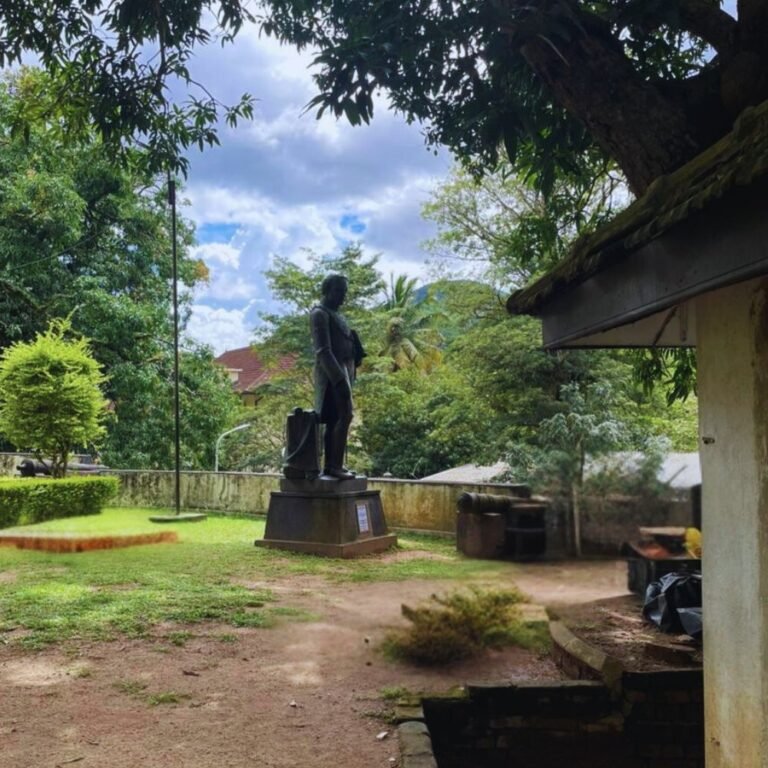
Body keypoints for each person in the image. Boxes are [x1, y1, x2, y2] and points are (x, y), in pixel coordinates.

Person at [310, 274, 365, 480]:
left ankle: (334, 465)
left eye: (344, 292)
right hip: (333, 373)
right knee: (343, 415)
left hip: (345, 369)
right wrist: (339, 379)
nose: (342, 296)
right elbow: (323, 350)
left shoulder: (336, 315)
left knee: (337, 418)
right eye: (339, 291)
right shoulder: (319, 314)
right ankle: (333, 466)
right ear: (327, 290)